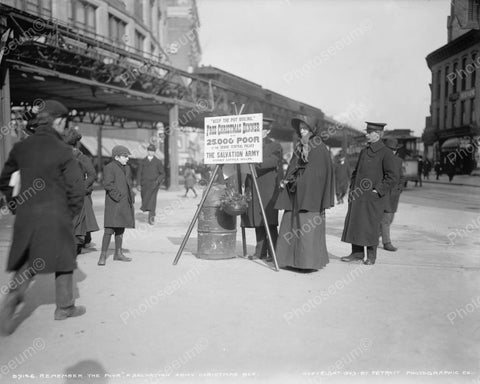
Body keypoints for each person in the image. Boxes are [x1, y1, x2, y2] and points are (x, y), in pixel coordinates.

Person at [0, 100, 85, 335]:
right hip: (56, 216)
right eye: (64, 123)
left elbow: (5, 179)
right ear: (58, 121)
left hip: (27, 216)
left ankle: (13, 298)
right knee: (65, 260)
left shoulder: (21, 148)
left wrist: (16, 204)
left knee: (28, 261)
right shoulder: (64, 151)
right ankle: (64, 308)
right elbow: (76, 188)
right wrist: (70, 212)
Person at [275, 115, 335, 271]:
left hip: (310, 197)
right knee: (290, 224)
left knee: (307, 227)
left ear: (312, 130)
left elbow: (318, 174)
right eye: (300, 128)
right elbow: (293, 166)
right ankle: (289, 261)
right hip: (296, 193)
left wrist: (299, 182)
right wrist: (288, 179)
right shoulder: (300, 146)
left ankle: (307, 263)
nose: (302, 131)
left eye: (305, 128)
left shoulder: (319, 147)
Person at [340, 122, 398, 266]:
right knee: (356, 224)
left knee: (371, 226)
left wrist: (378, 190)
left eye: (369, 132)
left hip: (373, 198)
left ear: (378, 134)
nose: (366, 134)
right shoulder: (364, 151)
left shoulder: (386, 153)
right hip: (358, 196)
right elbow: (356, 172)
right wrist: (352, 189)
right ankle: (357, 253)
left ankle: (371, 256)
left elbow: (392, 176)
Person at [241, 117, 283, 261]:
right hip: (253, 186)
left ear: (268, 131)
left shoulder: (275, 145)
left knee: (270, 222)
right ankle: (260, 252)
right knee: (258, 221)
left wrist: (254, 159)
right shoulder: (249, 144)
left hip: (268, 189)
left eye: (261, 129)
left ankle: (274, 252)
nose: (258, 132)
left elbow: (273, 161)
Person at [63, 127, 99, 254]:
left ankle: (77, 245)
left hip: (79, 195)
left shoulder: (82, 158)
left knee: (79, 221)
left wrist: (82, 187)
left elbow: (92, 174)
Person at [98, 145, 135, 266]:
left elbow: (128, 183)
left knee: (121, 228)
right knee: (109, 229)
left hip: (124, 203)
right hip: (114, 203)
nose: (127, 159)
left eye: (127, 156)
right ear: (116, 157)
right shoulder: (109, 168)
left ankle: (118, 253)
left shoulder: (127, 168)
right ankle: (102, 255)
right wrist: (118, 196)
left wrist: (131, 196)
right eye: (125, 156)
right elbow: (108, 184)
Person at [380, 138, 404, 252]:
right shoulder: (381, 159)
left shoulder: (398, 161)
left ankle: (378, 236)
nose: (393, 152)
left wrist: (400, 188)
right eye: (391, 149)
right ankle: (386, 242)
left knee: (390, 219)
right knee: (386, 219)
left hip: (394, 195)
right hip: (385, 194)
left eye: (395, 150)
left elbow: (402, 176)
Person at [137, 144, 164, 225]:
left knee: (152, 200)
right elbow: (139, 173)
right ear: (147, 151)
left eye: (152, 151)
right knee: (145, 200)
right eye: (149, 150)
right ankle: (150, 212)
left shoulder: (158, 162)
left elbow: (162, 174)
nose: (150, 152)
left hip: (154, 184)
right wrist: (138, 184)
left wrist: (157, 181)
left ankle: (151, 218)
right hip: (144, 184)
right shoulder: (142, 161)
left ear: (154, 152)